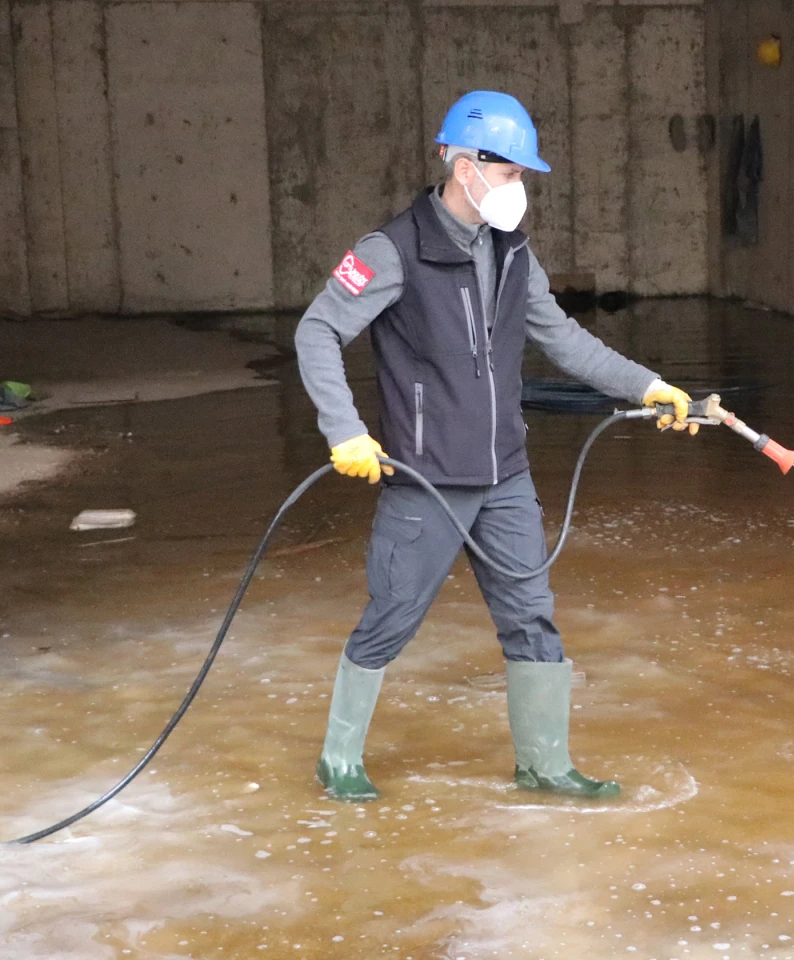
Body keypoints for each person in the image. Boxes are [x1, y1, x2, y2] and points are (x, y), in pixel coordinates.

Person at [294, 89, 696, 803]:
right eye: (510, 173)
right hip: (427, 477)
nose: (518, 188)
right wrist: (345, 429)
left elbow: (564, 339)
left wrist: (649, 385)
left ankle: (545, 764)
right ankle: (339, 759)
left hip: (505, 475)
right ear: (465, 166)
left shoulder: (512, 252)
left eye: (520, 175)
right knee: (392, 616)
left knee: (531, 615)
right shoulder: (392, 251)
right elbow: (317, 330)